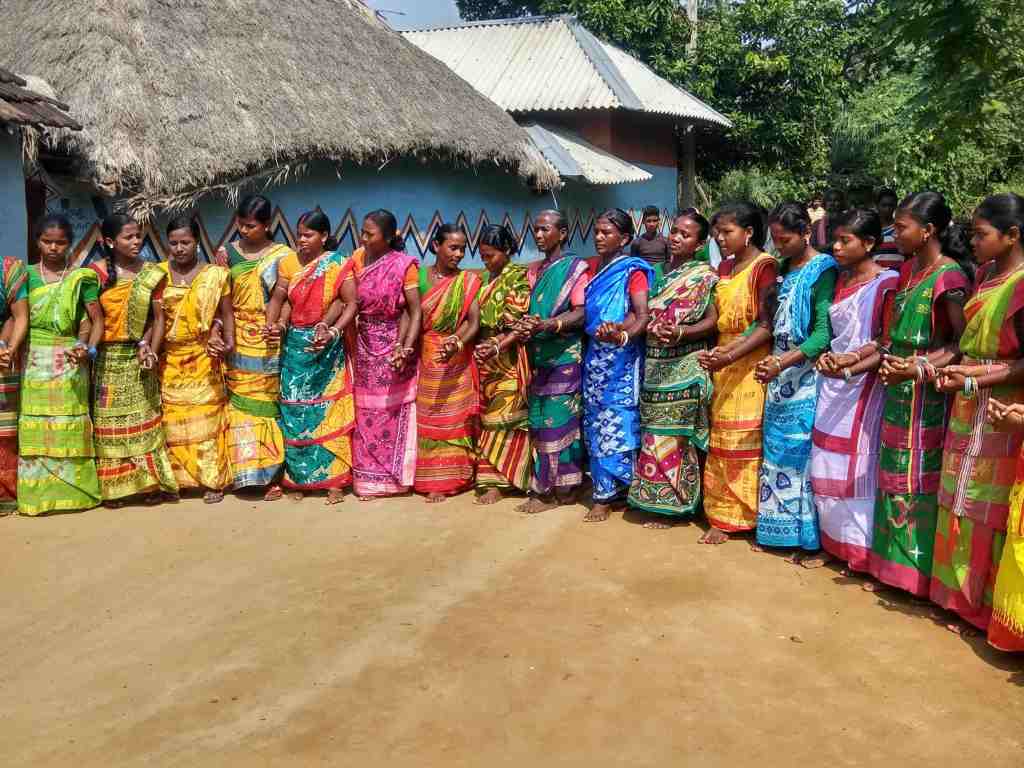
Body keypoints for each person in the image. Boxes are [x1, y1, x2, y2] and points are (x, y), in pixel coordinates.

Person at [930, 193, 1024, 635]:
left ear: (1012, 236)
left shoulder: (1021, 285)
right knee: (957, 495)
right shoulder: (985, 275)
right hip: (969, 402)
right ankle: (955, 600)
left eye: (982, 234)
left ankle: (982, 608)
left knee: (987, 506)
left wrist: (974, 377)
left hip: (1003, 406)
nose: (973, 241)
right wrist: (951, 371)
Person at [870, 191, 970, 596]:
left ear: (928, 230)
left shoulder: (950, 278)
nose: (896, 233)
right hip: (897, 386)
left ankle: (916, 574)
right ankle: (890, 569)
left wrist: (920, 367)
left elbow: (960, 344)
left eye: (903, 226)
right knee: (893, 473)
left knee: (919, 480)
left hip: (927, 395)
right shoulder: (908, 273)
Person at [810, 208, 898, 573]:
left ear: (870, 243)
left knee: (857, 467)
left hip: (863, 386)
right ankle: (832, 544)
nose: (837, 246)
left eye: (846, 240)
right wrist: (833, 361)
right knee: (824, 461)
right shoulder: (837, 281)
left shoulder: (887, 283)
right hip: (832, 383)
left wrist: (848, 365)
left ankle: (859, 555)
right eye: (835, 238)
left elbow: (885, 341)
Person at [753, 203, 837, 562]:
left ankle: (807, 539)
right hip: (778, 376)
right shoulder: (784, 271)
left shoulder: (824, 270)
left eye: (784, 239)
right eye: (774, 240)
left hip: (804, 374)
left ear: (805, 231)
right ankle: (776, 529)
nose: (779, 246)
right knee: (775, 454)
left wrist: (781, 363)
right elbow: (767, 323)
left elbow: (821, 335)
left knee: (801, 456)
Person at [628, 211, 718, 527]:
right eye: (675, 232)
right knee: (654, 433)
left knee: (679, 436)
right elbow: (639, 314)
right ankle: (655, 499)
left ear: (700, 243)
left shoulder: (703, 275)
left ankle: (680, 505)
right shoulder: (654, 273)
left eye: (686, 234)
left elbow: (711, 320)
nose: (677, 238)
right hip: (654, 365)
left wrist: (681, 333)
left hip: (686, 364)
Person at [698, 202, 777, 544]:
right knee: (721, 440)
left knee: (745, 441)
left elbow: (766, 325)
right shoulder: (725, 267)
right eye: (717, 232)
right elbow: (718, 317)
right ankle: (722, 515)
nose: (720, 238)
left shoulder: (765, 267)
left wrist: (729, 355)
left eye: (727, 232)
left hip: (750, 363)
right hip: (724, 360)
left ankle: (746, 516)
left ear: (749, 232)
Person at [17, 215, 103, 515]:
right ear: (37, 241)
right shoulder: (25, 275)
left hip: (69, 360)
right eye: (47, 241)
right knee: (38, 428)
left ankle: (76, 493)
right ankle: (38, 498)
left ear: (69, 244)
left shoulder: (81, 277)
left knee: (70, 424)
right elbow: (17, 320)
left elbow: (97, 320)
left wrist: (87, 349)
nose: (53, 248)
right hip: (35, 360)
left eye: (60, 242)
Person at [90, 214, 178, 506]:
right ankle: (116, 488)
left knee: (144, 419)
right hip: (107, 358)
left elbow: (158, 318)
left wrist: (150, 349)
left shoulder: (152, 272)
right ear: (110, 242)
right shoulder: (96, 274)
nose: (136, 241)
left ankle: (150, 485)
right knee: (110, 424)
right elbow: (91, 320)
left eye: (138, 236)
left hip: (141, 357)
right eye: (128, 237)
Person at [214, 195, 293, 499]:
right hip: (238, 339)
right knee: (240, 405)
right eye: (241, 224)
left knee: (267, 404)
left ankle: (272, 474)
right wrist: (220, 331)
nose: (244, 230)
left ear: (267, 225)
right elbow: (221, 300)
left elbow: (287, 299)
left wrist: (279, 326)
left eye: (251, 226)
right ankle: (244, 473)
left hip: (267, 337)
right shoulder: (227, 254)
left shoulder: (282, 255)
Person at [277, 210, 357, 503]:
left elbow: (350, 303)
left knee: (329, 411)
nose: (301, 240)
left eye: (308, 235)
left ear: (323, 236)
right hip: (296, 346)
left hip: (327, 348)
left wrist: (333, 332)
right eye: (299, 234)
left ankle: (334, 481)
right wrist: (279, 324)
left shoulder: (337, 263)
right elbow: (283, 301)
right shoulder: (288, 263)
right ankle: (298, 479)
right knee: (296, 412)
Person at [515, 210, 590, 514]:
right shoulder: (532, 270)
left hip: (563, 354)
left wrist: (550, 325)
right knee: (539, 419)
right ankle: (550, 483)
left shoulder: (575, 268)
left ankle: (562, 487)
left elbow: (580, 312)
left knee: (560, 419)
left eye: (546, 229)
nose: (539, 234)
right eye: (536, 229)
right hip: (537, 355)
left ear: (562, 233)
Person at [582, 208, 654, 522]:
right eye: (597, 232)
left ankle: (622, 489)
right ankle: (602, 491)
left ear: (624, 239)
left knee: (620, 419)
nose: (599, 237)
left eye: (606, 233)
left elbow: (642, 315)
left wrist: (621, 335)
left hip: (621, 358)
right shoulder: (592, 270)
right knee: (596, 421)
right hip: (595, 356)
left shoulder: (632, 271)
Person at [159, 216, 233, 503]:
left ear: (197, 242)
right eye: (174, 243)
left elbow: (226, 313)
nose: (179, 248)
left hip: (205, 355)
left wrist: (228, 343)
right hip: (171, 358)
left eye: (185, 242)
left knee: (207, 420)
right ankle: (177, 480)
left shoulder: (215, 275)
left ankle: (212, 481)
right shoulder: (157, 274)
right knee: (173, 419)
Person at [350, 209, 421, 498]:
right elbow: (350, 302)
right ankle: (368, 480)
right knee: (365, 411)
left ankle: (396, 478)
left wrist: (405, 348)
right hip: (365, 347)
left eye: (370, 234)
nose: (363, 238)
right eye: (362, 232)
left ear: (389, 237)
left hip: (395, 347)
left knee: (393, 411)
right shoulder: (356, 259)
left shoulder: (405, 266)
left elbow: (414, 311)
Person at [415, 224, 481, 501]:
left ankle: (456, 477)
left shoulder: (467, 281)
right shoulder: (418, 277)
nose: (459, 254)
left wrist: (456, 342)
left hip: (458, 358)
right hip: (428, 357)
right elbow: (412, 317)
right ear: (436, 247)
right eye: (453, 247)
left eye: (462, 248)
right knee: (429, 418)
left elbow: (473, 322)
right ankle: (432, 480)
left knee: (456, 420)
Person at [473, 224, 532, 504]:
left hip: (507, 356)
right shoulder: (484, 279)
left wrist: (497, 343)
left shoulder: (516, 277)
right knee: (487, 417)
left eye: (491, 255)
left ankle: (506, 478)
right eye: (482, 255)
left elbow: (519, 324)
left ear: (506, 250)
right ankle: (490, 477)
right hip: (486, 358)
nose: (486, 260)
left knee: (507, 417)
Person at [0, 251, 27, 513]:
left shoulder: (9, 269)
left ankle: (5, 495)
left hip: (2, 355)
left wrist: (8, 348)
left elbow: (19, 316)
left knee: (4, 432)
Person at [874, 188, 903, 270]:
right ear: (877, 205)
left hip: (898, 275)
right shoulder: (871, 229)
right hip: (875, 276)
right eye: (884, 205)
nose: (887, 209)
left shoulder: (900, 228)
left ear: (895, 206)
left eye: (891, 205)